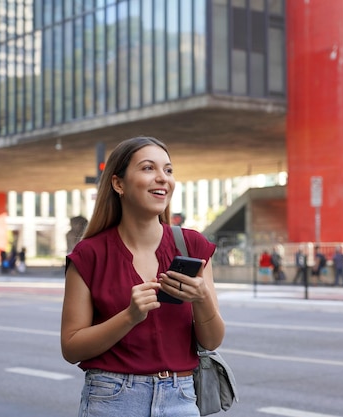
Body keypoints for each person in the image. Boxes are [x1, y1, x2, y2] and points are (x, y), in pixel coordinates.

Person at [61, 136, 225, 417]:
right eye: (149, 168)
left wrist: (202, 298)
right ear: (118, 184)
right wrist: (130, 316)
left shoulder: (192, 245)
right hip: (112, 399)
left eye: (168, 170)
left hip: (181, 398)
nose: (163, 178)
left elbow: (211, 341)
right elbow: (72, 347)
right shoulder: (89, 254)